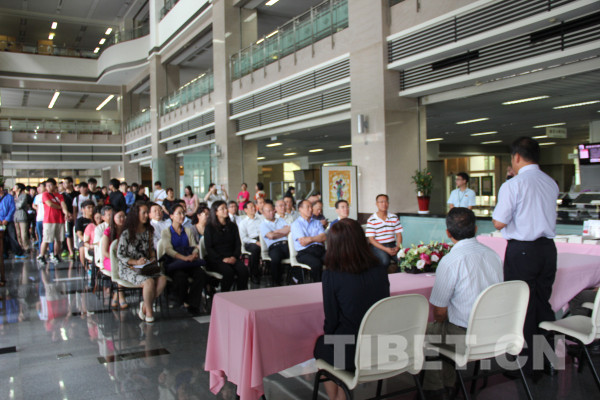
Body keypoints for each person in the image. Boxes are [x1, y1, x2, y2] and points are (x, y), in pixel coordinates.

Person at [492, 136, 559, 375]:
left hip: (523, 250)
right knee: (542, 303)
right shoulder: (550, 182)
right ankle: (545, 361)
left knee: (521, 305)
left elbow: (499, 222)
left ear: (516, 157)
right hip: (548, 250)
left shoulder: (513, 185)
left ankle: (524, 365)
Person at [423, 208, 503, 399]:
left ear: (448, 233)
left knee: (428, 330)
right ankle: (448, 384)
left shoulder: (451, 261)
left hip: (466, 336)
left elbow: (440, 313)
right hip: (496, 331)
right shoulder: (494, 256)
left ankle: (436, 390)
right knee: (441, 330)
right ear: (475, 228)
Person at [313, 218, 390, 400]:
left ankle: (337, 398)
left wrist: (330, 338)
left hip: (349, 351)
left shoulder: (331, 275)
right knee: (335, 348)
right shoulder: (380, 269)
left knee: (321, 346)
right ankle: (343, 393)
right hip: (381, 346)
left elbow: (331, 320)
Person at [117, 202, 167, 323]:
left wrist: (152, 258)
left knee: (162, 279)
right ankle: (149, 312)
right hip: (129, 267)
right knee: (149, 282)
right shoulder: (127, 233)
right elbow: (120, 255)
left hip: (144, 267)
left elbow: (150, 251)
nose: (146, 215)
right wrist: (136, 262)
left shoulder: (148, 231)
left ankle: (144, 305)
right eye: (143, 213)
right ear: (136, 214)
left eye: (146, 212)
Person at [161, 204, 207, 315]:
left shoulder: (188, 231)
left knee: (201, 274)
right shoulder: (166, 232)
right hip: (175, 262)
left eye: (183, 213)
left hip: (189, 262)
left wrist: (194, 254)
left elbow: (194, 246)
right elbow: (168, 250)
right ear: (171, 216)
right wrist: (184, 258)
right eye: (179, 213)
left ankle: (192, 303)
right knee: (181, 277)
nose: (182, 216)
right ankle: (181, 300)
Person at [203, 200, 248, 292]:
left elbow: (237, 244)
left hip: (232, 257)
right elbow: (209, 248)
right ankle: (224, 297)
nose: (226, 211)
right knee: (228, 272)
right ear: (215, 212)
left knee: (244, 270)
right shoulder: (209, 228)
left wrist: (234, 257)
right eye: (222, 209)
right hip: (216, 259)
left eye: (226, 208)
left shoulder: (232, 226)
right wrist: (222, 259)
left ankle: (241, 296)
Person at [290, 200, 326, 282]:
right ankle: (318, 287)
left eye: (311, 207)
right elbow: (303, 242)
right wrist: (316, 238)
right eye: (308, 207)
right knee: (316, 263)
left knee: (334, 259)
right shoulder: (296, 224)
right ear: (300, 209)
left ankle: (332, 285)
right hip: (304, 252)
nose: (311, 209)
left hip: (319, 250)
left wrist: (310, 239)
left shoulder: (317, 222)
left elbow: (324, 237)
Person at [365, 194, 403, 269]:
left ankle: (395, 279)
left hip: (392, 245)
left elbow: (399, 234)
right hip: (378, 246)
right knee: (385, 261)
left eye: (386, 202)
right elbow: (371, 240)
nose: (384, 204)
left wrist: (398, 247)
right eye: (381, 202)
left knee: (403, 260)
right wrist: (385, 249)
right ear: (376, 204)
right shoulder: (371, 219)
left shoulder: (393, 217)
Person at [39, 179, 70, 263]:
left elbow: (64, 205)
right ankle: (41, 256)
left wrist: (66, 213)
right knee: (47, 239)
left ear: (54, 186)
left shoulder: (59, 196)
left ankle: (56, 255)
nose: (48, 187)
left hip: (59, 220)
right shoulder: (45, 194)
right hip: (49, 220)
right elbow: (50, 204)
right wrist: (60, 207)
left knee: (59, 239)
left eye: (50, 185)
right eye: (47, 185)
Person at [260, 201, 291, 286]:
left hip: (287, 244)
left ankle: (294, 280)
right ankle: (276, 283)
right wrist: (283, 232)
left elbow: (289, 229)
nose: (271, 213)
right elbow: (271, 236)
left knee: (299, 255)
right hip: (275, 247)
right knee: (276, 259)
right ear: (263, 213)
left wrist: (276, 232)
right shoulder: (263, 225)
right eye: (268, 211)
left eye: (272, 210)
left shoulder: (280, 220)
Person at [101, 210, 128, 308]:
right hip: (110, 259)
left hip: (123, 259)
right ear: (113, 218)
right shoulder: (108, 232)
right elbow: (104, 252)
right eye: (119, 217)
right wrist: (116, 259)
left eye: (124, 216)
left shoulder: (127, 231)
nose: (122, 219)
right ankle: (121, 296)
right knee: (119, 267)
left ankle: (116, 294)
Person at [238, 202, 262, 284]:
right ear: (245, 210)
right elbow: (244, 238)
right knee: (255, 249)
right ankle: (254, 274)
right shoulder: (243, 223)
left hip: (262, 240)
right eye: (251, 207)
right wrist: (256, 242)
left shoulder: (260, 219)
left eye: (254, 206)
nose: (254, 208)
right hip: (250, 242)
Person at [0, 183, 24, 259]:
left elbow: (12, 209)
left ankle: (18, 252)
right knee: (2, 238)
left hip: (9, 221)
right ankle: (4, 253)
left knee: (12, 236)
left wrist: (6, 219)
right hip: (0, 221)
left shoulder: (9, 197)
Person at [61, 177, 78, 259]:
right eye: (63, 183)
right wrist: (67, 213)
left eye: (66, 183)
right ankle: (70, 251)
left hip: (77, 216)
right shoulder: (62, 195)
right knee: (68, 234)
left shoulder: (77, 194)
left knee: (77, 233)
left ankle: (77, 249)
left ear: (71, 183)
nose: (64, 185)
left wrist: (75, 215)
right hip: (67, 217)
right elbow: (62, 205)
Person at [75, 200, 95, 266]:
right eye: (88, 207)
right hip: (85, 240)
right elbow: (79, 234)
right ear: (83, 209)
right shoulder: (79, 220)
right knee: (82, 248)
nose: (91, 209)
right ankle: (85, 267)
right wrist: (86, 241)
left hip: (95, 239)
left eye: (92, 207)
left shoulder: (96, 219)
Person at [13, 183, 30, 254]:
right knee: (18, 234)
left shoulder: (24, 195)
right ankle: (21, 247)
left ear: (19, 189)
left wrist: (14, 203)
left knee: (24, 234)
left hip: (22, 216)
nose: (13, 188)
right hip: (15, 217)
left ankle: (26, 247)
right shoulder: (13, 196)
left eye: (15, 187)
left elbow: (20, 205)